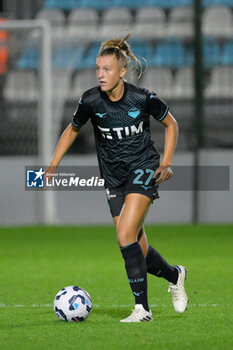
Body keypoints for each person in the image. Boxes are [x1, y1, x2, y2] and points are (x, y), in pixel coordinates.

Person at [46, 33, 188, 322]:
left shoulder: (141, 97)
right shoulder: (90, 101)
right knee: (140, 250)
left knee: (124, 235)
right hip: (113, 178)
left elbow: (171, 124)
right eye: (98, 69)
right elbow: (72, 129)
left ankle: (142, 310)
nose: (101, 74)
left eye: (107, 69)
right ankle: (175, 274)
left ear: (122, 72)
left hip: (144, 168)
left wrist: (166, 161)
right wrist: (53, 164)